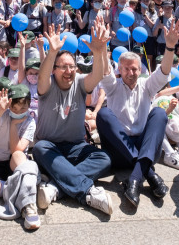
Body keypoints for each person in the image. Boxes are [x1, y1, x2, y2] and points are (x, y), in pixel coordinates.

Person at [97, 21, 179, 207]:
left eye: (134, 68)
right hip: (118, 149)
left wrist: (169, 47)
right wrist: (102, 46)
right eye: (126, 68)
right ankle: (149, 174)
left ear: (140, 70)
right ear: (119, 70)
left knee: (160, 113)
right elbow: (104, 71)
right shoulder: (113, 86)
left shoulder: (147, 85)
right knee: (103, 114)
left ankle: (134, 180)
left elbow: (164, 71)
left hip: (145, 146)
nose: (131, 72)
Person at [33, 19, 114, 215]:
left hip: (76, 147)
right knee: (39, 148)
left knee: (104, 158)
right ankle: (88, 192)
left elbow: (98, 75)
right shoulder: (48, 84)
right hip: (49, 146)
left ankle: (55, 187)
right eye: (63, 67)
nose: (68, 71)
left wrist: (98, 50)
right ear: (54, 70)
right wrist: (52, 52)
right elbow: (42, 77)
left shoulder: (79, 82)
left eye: (72, 67)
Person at [0, 83, 40, 230]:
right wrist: (1, 110)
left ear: (30, 105)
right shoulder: (4, 115)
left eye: (23, 108)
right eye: (14, 108)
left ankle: (28, 203)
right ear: (9, 105)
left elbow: (16, 148)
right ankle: (17, 189)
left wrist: (14, 125)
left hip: (17, 163)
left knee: (17, 154)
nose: (18, 111)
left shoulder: (30, 122)